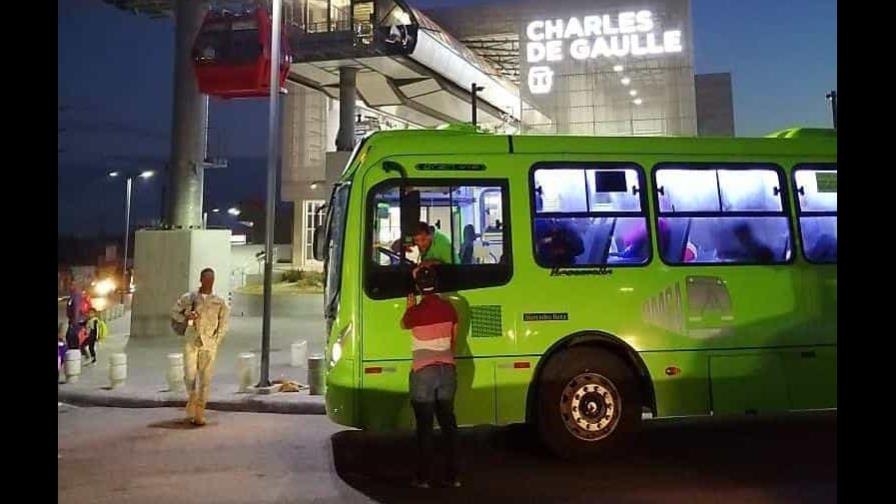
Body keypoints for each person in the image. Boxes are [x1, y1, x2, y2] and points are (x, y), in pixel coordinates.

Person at [401, 266, 461, 489]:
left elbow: (403, 324)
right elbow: (453, 340)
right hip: (447, 370)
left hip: (423, 372)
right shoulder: (449, 308)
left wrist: (410, 305)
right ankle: (453, 476)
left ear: (419, 288)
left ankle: (424, 478)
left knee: (425, 427)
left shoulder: (415, 312)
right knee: (448, 424)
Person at [170, 268, 230, 426]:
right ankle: (192, 398)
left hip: (209, 344)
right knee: (189, 375)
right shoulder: (189, 298)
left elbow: (223, 324)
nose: (209, 282)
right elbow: (174, 312)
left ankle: (199, 412)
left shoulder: (219, 302)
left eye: (211, 279)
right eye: (206, 279)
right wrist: (186, 315)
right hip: (191, 340)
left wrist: (216, 340)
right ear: (201, 280)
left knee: (205, 379)